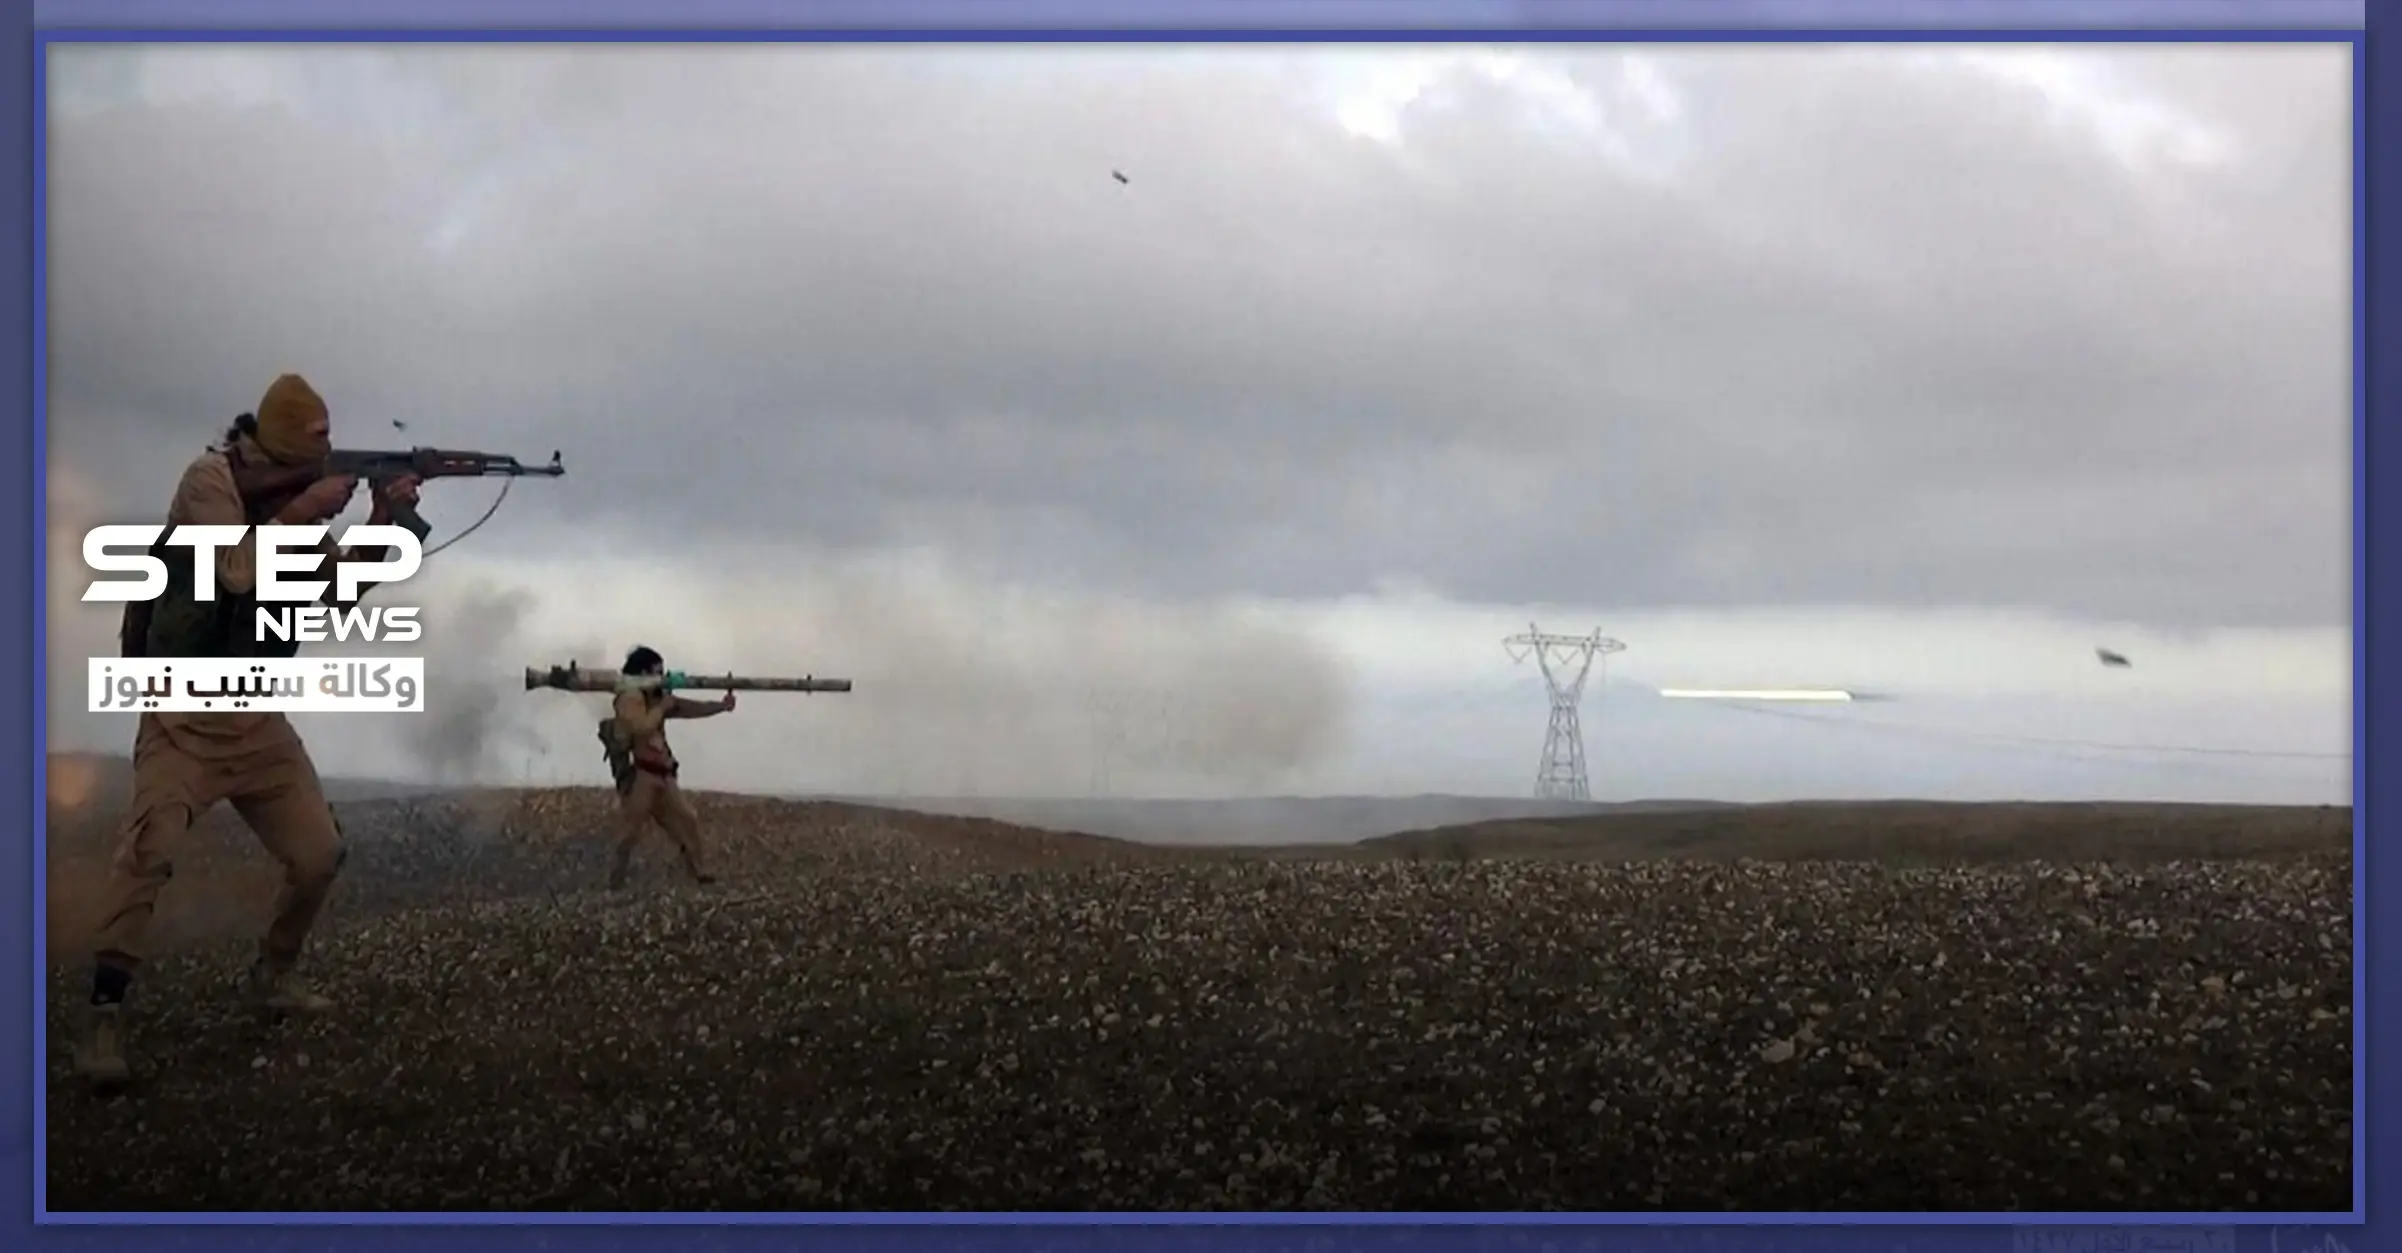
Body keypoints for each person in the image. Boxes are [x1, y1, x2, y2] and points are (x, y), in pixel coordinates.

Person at [74, 373, 423, 1091]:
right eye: (317, 441)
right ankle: (104, 1015)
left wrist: (387, 521)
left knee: (320, 852)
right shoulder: (211, 481)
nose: (327, 451)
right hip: (180, 715)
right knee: (149, 851)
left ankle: (273, 975)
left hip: (255, 716)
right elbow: (232, 569)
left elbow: (340, 593)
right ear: (283, 444)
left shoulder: (294, 509)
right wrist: (302, 511)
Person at [606, 645, 735, 889]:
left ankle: (699, 871)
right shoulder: (628, 698)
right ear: (644, 672)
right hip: (641, 776)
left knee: (687, 820)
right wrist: (662, 707)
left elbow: (687, 708)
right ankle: (615, 880)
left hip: (664, 774)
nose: (662, 676)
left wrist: (719, 706)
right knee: (630, 832)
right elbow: (641, 726)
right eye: (657, 671)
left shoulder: (655, 698)